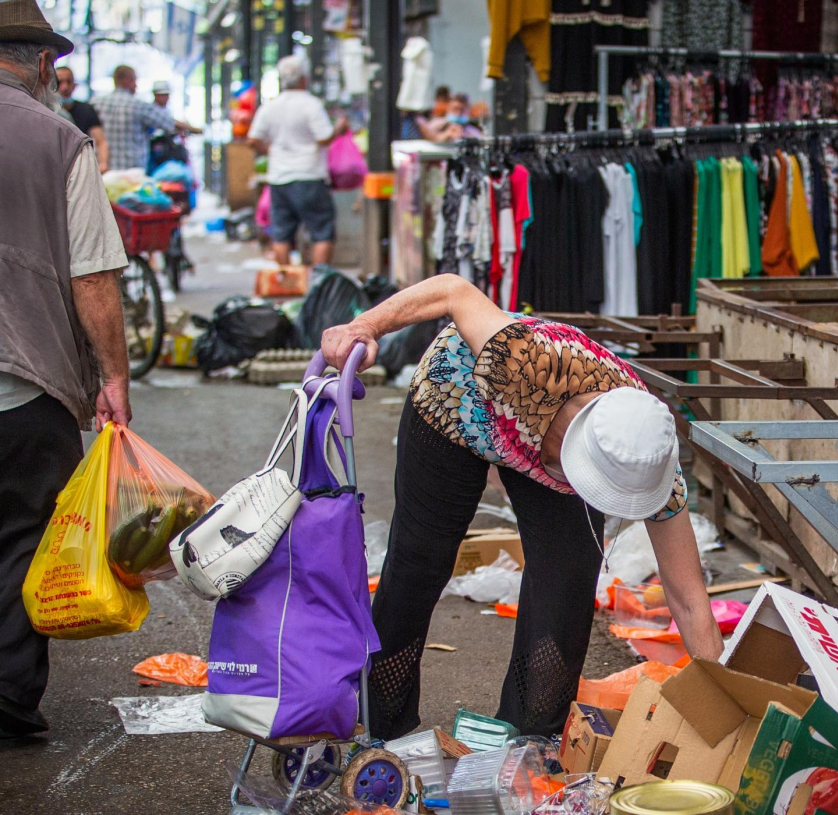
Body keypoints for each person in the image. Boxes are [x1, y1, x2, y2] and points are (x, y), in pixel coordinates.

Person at [321, 275, 723, 738]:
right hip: (453, 405)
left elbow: (691, 603)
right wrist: (365, 325)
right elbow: (452, 290)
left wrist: (724, 711)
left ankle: (532, 735)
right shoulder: (523, 359)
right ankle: (382, 717)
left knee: (568, 581)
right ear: (574, 445)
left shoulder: (648, 456)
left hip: (544, 435)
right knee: (420, 560)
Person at [0, 0, 132, 738]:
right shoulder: (59, 140)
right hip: (25, 386)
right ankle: (10, 699)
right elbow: (93, 279)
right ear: (46, 65)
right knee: (22, 536)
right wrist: (112, 377)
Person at [248, 55, 348, 267]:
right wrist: (338, 130)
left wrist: (272, 150)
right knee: (322, 232)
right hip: (310, 175)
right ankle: (319, 283)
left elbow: (253, 139)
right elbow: (323, 138)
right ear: (303, 79)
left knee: (282, 235)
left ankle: (285, 284)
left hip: (280, 178)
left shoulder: (270, 107)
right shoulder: (311, 105)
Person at [92, 65, 196, 171]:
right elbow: (170, 123)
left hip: (102, 171)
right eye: (135, 81)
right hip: (132, 174)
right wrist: (198, 129)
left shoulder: (95, 104)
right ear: (128, 80)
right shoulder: (138, 106)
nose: (136, 86)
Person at [55, 65, 108, 172]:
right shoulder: (48, 110)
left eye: (69, 82)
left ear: (74, 85)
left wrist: (103, 164)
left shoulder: (86, 109)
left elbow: (101, 140)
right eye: (60, 82)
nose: (65, 87)